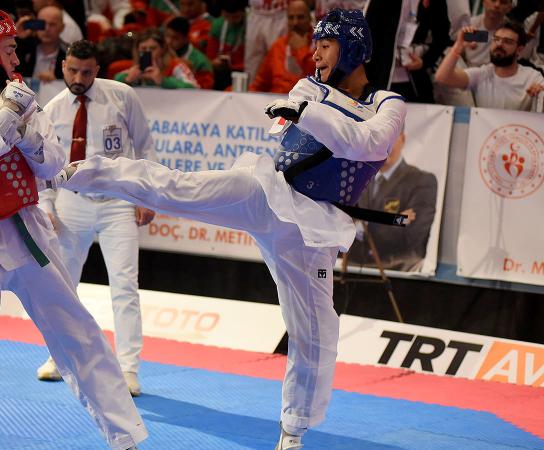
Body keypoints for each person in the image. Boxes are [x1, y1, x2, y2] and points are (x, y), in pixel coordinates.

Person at [49, 9, 406, 449]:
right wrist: (304, 109)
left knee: (315, 331)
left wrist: (306, 113)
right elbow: (306, 126)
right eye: (315, 43)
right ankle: (80, 172)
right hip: (265, 191)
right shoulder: (309, 86)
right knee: (179, 187)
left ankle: (293, 430)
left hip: (310, 227)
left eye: (325, 44)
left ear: (352, 48)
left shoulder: (387, 104)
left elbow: (367, 143)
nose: (313, 52)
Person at [0, 6, 147, 450]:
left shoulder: (20, 92)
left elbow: (54, 163)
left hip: (25, 230)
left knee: (79, 334)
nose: (16, 60)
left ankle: (125, 439)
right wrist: (6, 120)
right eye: (7, 49)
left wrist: (28, 136)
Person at [35, 40, 157, 396]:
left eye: (87, 72)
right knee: (62, 284)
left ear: (97, 70)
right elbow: (41, 163)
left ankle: (128, 369)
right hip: (72, 202)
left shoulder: (122, 96)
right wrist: (46, 205)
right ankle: (58, 358)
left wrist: (147, 194)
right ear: (63, 67)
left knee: (124, 285)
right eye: (73, 70)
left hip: (119, 199)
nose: (79, 77)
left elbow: (145, 146)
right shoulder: (53, 109)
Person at [347, 131, 438, 271]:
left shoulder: (422, 181)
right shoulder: (358, 178)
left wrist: (359, 224)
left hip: (397, 270)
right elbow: (337, 224)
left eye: (392, 139)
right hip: (351, 267)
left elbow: (412, 238)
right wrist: (392, 220)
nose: (386, 146)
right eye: (381, 140)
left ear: (402, 139)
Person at [435, 21, 544, 110]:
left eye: (507, 41)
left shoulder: (532, 77)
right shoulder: (482, 74)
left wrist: (540, 92)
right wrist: (458, 46)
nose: (499, 44)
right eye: (496, 39)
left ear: (519, 49)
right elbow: (442, 78)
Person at [249, 0, 314, 94]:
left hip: (307, 103)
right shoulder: (278, 46)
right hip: (275, 101)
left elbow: (320, 80)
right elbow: (260, 84)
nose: (295, 22)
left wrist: (301, 50)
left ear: (310, 19)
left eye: (300, 17)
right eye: (291, 18)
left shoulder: (320, 45)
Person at [115, 28, 200, 89]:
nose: (148, 52)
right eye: (143, 48)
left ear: (162, 49)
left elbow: (194, 87)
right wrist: (126, 79)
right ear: (137, 50)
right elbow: (115, 82)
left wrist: (163, 81)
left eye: (153, 48)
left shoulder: (175, 66)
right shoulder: (135, 67)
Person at [15, 5, 68, 82]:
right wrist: (17, 36)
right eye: (42, 24)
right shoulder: (24, 48)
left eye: (52, 24)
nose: (46, 29)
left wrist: (58, 79)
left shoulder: (68, 54)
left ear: (62, 27)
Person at [165, 16, 215, 89]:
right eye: (167, 36)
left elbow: (204, 90)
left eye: (175, 38)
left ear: (186, 38)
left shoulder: (200, 61)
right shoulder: (161, 54)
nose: (169, 41)